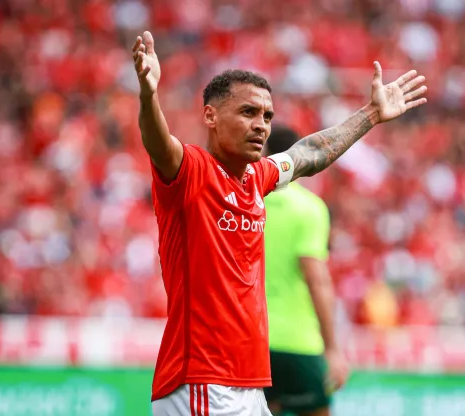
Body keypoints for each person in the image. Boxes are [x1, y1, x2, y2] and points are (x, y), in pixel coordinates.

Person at [131, 30, 428, 416]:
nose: (261, 125)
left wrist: (370, 114)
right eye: (248, 112)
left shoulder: (259, 178)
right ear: (210, 115)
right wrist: (148, 94)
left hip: (249, 382)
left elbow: (309, 153)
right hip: (202, 380)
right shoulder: (190, 171)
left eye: (267, 116)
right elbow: (157, 142)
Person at [262, 125, 349, 416]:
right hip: (297, 342)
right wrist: (333, 349)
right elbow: (317, 280)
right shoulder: (308, 208)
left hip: (251, 342)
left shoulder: (248, 201)